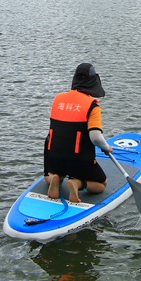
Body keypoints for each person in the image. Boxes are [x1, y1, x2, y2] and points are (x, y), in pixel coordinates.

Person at [45, 63, 113, 204]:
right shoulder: (92, 105)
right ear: (93, 81)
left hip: (54, 156)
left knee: (49, 174)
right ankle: (77, 184)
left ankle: (54, 178)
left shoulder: (58, 99)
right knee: (101, 184)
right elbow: (95, 137)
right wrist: (106, 148)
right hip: (79, 160)